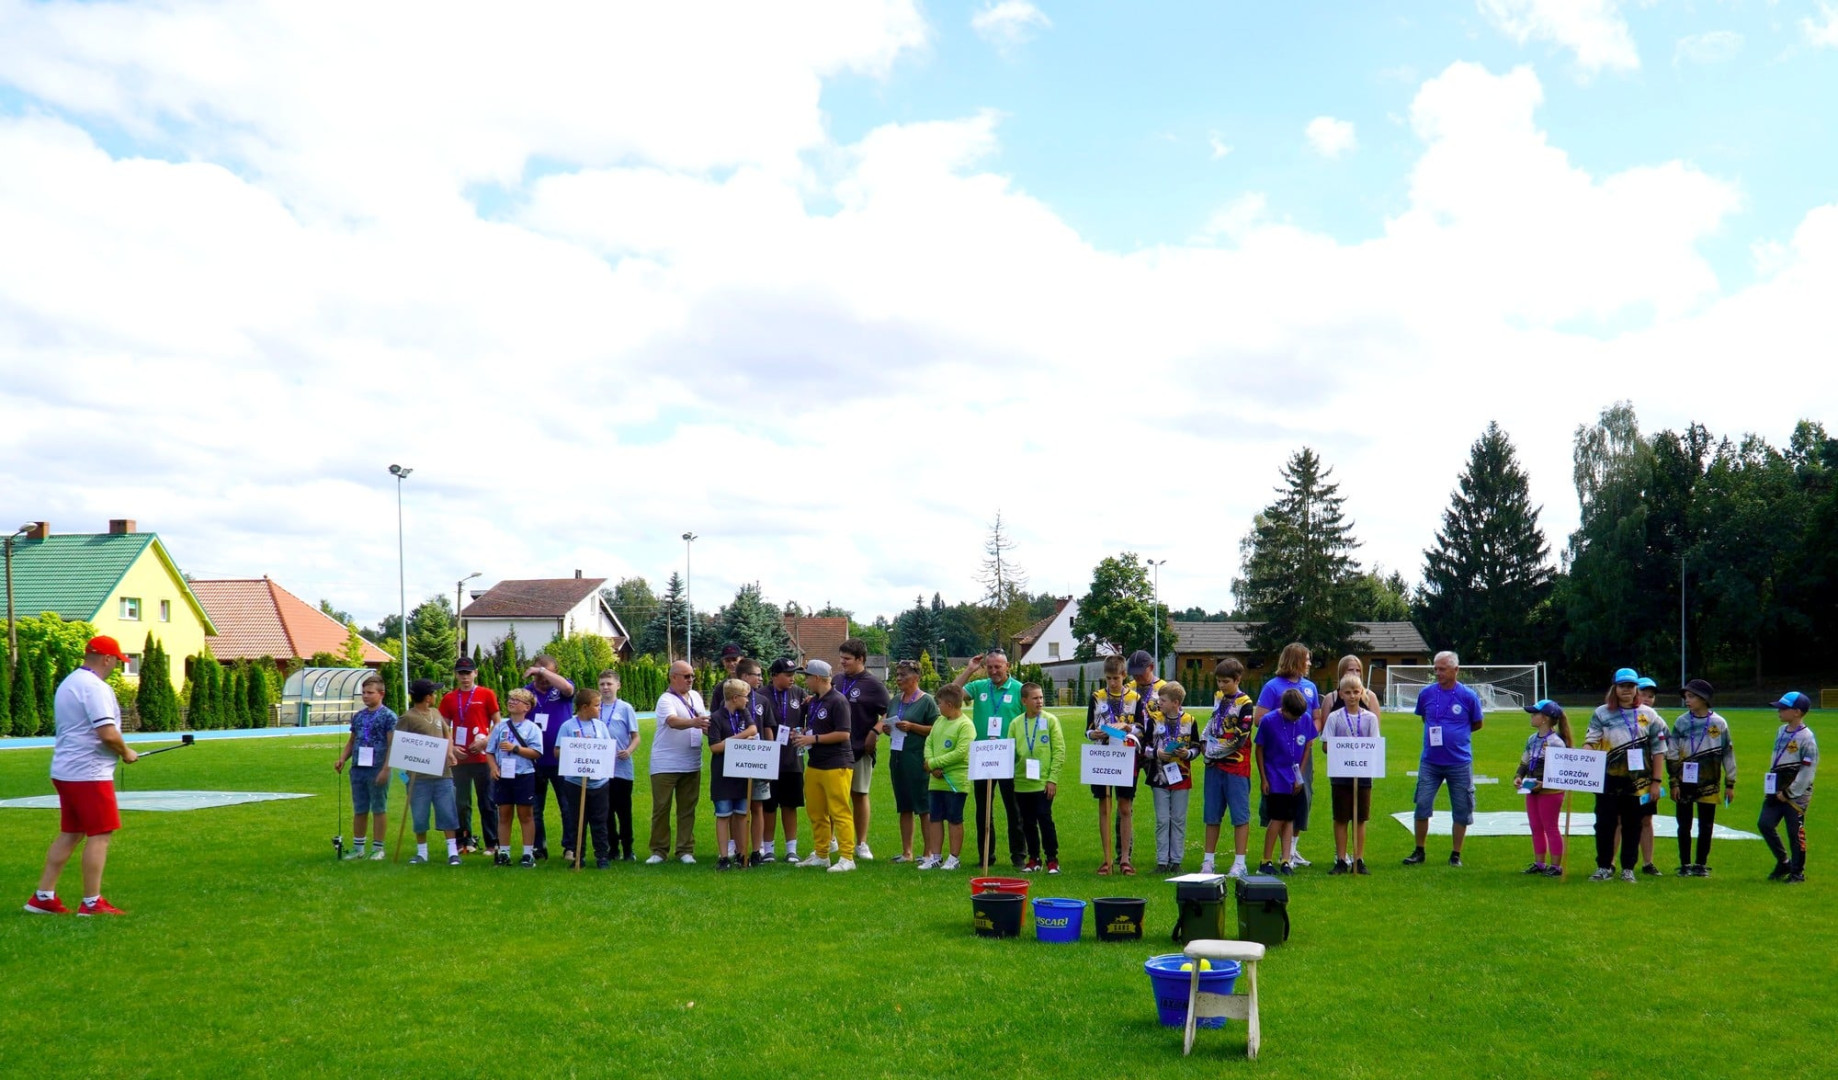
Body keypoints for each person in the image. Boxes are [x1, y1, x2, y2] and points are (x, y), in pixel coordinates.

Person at [25, 636, 138, 916]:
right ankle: (92, 902)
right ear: (107, 659)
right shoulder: (95, 688)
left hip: (66, 770)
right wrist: (126, 752)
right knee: (100, 833)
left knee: (72, 832)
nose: (115, 667)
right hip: (89, 773)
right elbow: (107, 733)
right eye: (117, 661)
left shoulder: (70, 681)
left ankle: (43, 896)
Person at [1583, 668, 1667, 883]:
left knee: (1633, 824)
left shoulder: (1649, 715)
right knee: (1604, 824)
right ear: (1615, 688)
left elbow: (1659, 750)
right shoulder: (1601, 713)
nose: (1626, 690)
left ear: (1636, 688)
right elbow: (1591, 741)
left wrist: (1656, 782)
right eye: (1622, 686)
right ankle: (1604, 866)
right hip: (1607, 778)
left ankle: (1628, 868)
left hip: (1638, 781)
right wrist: (1583, 757)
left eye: (1630, 686)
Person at [1403, 651, 1484, 868]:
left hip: (1459, 762)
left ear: (1456, 670)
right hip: (1430, 761)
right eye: (1436, 669)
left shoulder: (1468, 696)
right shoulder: (1427, 694)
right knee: (1422, 804)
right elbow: (1424, 717)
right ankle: (1419, 851)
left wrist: (1456, 735)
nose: (1438, 673)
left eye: (1442, 669)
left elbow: (1477, 723)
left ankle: (1456, 854)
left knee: (1461, 808)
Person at [953, 649, 1027, 869]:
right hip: (983, 756)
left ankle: (1019, 856)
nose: (994, 671)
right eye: (990, 667)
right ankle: (986, 856)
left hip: (1010, 757)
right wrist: (969, 670)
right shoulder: (979, 687)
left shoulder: (1019, 689)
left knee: (1014, 809)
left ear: (1007, 666)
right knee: (983, 810)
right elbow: (951, 694)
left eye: (998, 667)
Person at [1255, 644, 1319, 868]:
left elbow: (1316, 717)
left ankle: (1290, 852)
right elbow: (1259, 720)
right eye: (1306, 659)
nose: (1309, 663)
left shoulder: (1310, 686)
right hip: (1277, 761)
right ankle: (1269, 856)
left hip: (1301, 753)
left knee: (1300, 801)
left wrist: (1307, 735)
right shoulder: (1272, 687)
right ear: (1294, 660)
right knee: (1277, 809)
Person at [1667, 679, 1736, 877]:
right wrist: (1674, 782)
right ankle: (1685, 864)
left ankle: (1700, 864)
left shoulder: (1719, 723)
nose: (1687, 700)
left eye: (1691, 697)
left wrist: (1730, 783)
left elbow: (1728, 754)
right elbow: (1672, 753)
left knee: (1706, 825)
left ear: (1704, 699)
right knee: (1684, 824)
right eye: (1686, 697)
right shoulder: (1681, 722)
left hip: (1709, 782)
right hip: (1684, 782)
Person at [793, 659, 856, 872]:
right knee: (816, 811)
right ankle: (821, 854)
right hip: (816, 763)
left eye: (807, 677)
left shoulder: (838, 701)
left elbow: (844, 733)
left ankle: (847, 857)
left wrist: (813, 739)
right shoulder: (814, 700)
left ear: (818, 678)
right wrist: (803, 735)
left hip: (837, 763)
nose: (805, 681)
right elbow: (817, 727)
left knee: (839, 811)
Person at [394, 678, 462, 867]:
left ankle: (453, 852)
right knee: (420, 815)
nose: (436, 696)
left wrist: (450, 752)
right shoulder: (408, 718)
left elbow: (447, 734)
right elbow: (399, 743)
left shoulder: (436, 713)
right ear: (427, 697)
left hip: (443, 774)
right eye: (433, 693)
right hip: (419, 778)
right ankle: (422, 852)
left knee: (448, 812)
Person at [1085, 654, 1141, 876]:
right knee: (1104, 807)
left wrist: (1128, 728)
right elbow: (1088, 728)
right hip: (1102, 755)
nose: (1112, 682)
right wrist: (1094, 733)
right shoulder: (1097, 697)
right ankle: (1107, 858)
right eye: (1108, 678)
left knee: (1125, 807)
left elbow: (1142, 727)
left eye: (1116, 678)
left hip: (1126, 756)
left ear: (1124, 675)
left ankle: (1125, 858)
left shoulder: (1135, 697)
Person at [649, 660, 708, 864]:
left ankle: (685, 850)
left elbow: (703, 721)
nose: (691, 679)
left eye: (692, 676)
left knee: (687, 809)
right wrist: (694, 722)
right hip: (665, 763)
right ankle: (658, 851)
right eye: (686, 676)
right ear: (673, 677)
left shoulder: (696, 696)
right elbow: (672, 721)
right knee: (661, 808)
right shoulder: (665, 699)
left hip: (691, 762)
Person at [1201, 658, 1256, 879]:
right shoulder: (1218, 698)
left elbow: (1240, 738)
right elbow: (1213, 721)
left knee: (1239, 815)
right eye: (1219, 681)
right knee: (1211, 814)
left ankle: (1240, 862)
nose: (1221, 685)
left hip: (1236, 767)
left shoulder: (1245, 703)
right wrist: (1203, 740)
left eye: (1226, 681)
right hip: (1214, 766)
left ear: (1237, 679)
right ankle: (1208, 860)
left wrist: (1213, 751)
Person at [837, 639, 890, 862]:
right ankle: (833, 841)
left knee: (859, 794)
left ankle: (861, 843)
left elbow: (890, 712)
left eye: (847, 659)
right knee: (835, 796)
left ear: (860, 659)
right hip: (834, 749)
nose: (842, 662)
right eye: (841, 658)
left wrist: (875, 731)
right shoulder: (837, 680)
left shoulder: (873, 684)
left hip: (860, 747)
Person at [440, 658, 499, 856]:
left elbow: (498, 723)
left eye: (468, 672)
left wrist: (486, 741)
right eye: (461, 673)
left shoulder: (486, 694)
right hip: (460, 759)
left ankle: (492, 843)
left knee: (487, 802)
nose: (465, 677)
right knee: (461, 803)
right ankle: (464, 841)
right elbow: (443, 728)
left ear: (475, 673)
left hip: (483, 758)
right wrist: (452, 748)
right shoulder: (449, 698)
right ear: (456, 675)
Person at [1322, 673, 1379, 875]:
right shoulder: (1334, 717)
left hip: (1363, 773)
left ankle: (1358, 859)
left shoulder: (1370, 718)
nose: (1352, 696)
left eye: (1356, 692)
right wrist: (1344, 748)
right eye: (1348, 692)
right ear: (1341, 694)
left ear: (1362, 692)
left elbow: (1375, 745)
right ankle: (1340, 859)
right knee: (1341, 817)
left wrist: (1359, 749)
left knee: (1360, 818)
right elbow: (1325, 745)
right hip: (1340, 773)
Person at [335, 673, 396, 861]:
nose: (365, 696)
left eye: (370, 693)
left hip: (378, 768)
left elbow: (392, 745)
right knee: (360, 808)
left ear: (381, 694)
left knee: (378, 808)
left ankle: (378, 848)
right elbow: (352, 740)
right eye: (363, 693)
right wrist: (342, 758)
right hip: (358, 768)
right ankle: (358, 847)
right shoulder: (359, 716)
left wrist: (386, 769)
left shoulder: (389, 717)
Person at [523, 655, 576, 861]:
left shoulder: (561, 688)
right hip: (534, 759)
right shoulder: (527, 692)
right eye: (538, 674)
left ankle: (570, 847)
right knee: (535, 808)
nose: (543, 679)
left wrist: (543, 671)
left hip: (561, 758)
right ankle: (539, 847)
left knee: (567, 806)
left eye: (547, 674)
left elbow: (568, 689)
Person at [1760, 691, 1817, 884]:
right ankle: (1784, 862)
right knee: (1765, 824)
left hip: (1795, 794)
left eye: (1783, 708)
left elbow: (1807, 771)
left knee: (1795, 832)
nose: (1779, 711)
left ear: (1797, 712)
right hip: (1776, 788)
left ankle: (1797, 872)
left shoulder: (1807, 738)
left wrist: (1789, 792)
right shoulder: (1781, 731)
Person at [886, 659, 939, 863]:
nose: (898, 679)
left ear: (916, 677)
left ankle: (928, 852)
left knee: (923, 806)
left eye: (903, 675)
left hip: (917, 759)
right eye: (897, 675)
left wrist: (913, 727)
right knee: (904, 806)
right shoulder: (895, 700)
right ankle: (906, 852)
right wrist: (887, 729)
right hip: (897, 758)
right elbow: (889, 721)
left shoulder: (927, 701)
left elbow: (937, 729)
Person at [1009, 682, 1064, 874]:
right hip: (1022, 782)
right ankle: (1034, 858)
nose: (1040, 701)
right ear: (1024, 701)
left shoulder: (1050, 720)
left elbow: (1059, 751)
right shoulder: (1016, 723)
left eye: (1041, 697)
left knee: (1045, 819)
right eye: (1035, 698)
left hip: (1043, 782)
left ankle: (1052, 859)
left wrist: (1052, 779)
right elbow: (1010, 752)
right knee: (1027, 822)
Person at [1512, 700, 1571, 878]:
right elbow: (1525, 761)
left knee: (1550, 827)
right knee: (1535, 827)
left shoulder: (1556, 743)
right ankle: (1539, 863)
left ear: (1545, 718)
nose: (1531, 716)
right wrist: (1518, 776)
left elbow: (1561, 770)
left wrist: (1544, 784)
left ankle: (1556, 866)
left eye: (1535, 714)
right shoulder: (1532, 739)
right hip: (1532, 788)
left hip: (1551, 791)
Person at [756, 658, 806, 864]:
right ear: (774, 676)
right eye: (788, 674)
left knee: (790, 805)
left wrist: (803, 731)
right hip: (768, 759)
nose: (792, 678)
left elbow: (808, 720)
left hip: (793, 759)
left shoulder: (800, 694)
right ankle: (768, 850)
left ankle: (791, 850)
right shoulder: (761, 695)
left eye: (794, 674)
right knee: (768, 806)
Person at [1146, 681, 1199, 873]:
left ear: (1176, 703)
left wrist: (1188, 754)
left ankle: (1176, 861)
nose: (1159, 703)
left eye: (1163, 700)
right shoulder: (1153, 720)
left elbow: (1196, 747)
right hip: (1159, 777)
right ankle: (1161, 861)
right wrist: (1157, 753)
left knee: (1178, 819)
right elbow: (1144, 747)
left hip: (1181, 777)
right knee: (1162, 820)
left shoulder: (1190, 721)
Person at [557, 688, 614, 868]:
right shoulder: (568, 726)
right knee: (577, 820)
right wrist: (576, 750)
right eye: (597, 705)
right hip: (575, 782)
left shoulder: (601, 726)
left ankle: (602, 856)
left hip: (599, 783)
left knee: (600, 821)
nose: (600, 709)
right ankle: (578, 856)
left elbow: (607, 749)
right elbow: (557, 751)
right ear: (584, 707)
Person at [487, 688, 544, 866]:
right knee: (504, 814)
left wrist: (516, 748)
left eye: (516, 700)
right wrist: (493, 768)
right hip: (503, 776)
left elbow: (537, 753)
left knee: (525, 815)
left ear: (527, 707)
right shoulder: (500, 727)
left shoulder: (532, 728)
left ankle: (528, 853)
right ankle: (504, 852)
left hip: (524, 775)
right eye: (510, 699)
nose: (511, 702)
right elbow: (489, 751)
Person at [921, 683, 974, 871]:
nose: (938, 707)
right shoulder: (939, 721)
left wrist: (934, 763)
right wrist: (930, 763)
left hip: (955, 781)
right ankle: (935, 857)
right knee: (934, 818)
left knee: (954, 818)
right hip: (936, 781)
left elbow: (961, 752)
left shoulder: (966, 725)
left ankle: (954, 858)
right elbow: (929, 742)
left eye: (940, 703)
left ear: (950, 705)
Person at [707, 679, 759, 870]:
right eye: (746, 697)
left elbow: (753, 729)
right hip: (722, 773)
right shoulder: (716, 717)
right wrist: (740, 739)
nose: (748, 700)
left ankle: (741, 854)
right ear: (735, 698)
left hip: (741, 772)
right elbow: (715, 747)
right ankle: (723, 857)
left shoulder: (744, 713)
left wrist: (730, 741)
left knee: (742, 815)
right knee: (723, 815)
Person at [598, 670, 642, 862]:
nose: (605, 687)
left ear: (618, 686)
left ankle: (628, 849)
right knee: (605, 811)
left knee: (624, 811)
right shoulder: (595, 707)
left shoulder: (625, 708)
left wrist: (629, 751)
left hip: (621, 768)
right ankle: (612, 848)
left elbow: (636, 736)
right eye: (602, 684)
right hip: (601, 769)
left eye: (609, 683)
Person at [733, 658, 774, 866]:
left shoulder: (763, 700)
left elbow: (768, 729)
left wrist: (770, 757)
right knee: (738, 807)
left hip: (758, 760)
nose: (760, 678)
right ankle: (739, 851)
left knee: (757, 806)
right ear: (744, 677)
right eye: (757, 675)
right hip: (736, 759)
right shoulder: (729, 699)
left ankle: (757, 851)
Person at [1631, 675, 1669, 875]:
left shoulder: (1656, 720)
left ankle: (1648, 863)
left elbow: (1664, 748)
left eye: (1651, 696)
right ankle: (1610, 864)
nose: (1646, 699)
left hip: (1646, 778)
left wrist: (1657, 780)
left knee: (1646, 820)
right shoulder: (1618, 714)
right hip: (1623, 777)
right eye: (1643, 694)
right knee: (1618, 820)